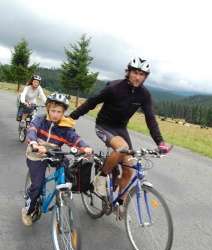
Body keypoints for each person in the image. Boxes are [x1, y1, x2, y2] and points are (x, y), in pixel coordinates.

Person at [69, 57, 171, 211]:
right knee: (122, 148)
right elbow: (92, 102)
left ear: (145, 77)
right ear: (129, 72)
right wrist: (72, 118)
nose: (138, 77)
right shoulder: (114, 88)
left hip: (121, 129)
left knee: (129, 170)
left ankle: (119, 203)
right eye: (135, 72)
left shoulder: (144, 94)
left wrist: (160, 142)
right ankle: (101, 178)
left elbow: (150, 119)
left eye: (142, 74)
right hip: (104, 126)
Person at [21, 92, 92, 226]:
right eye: (53, 110)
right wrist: (34, 143)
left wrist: (85, 147)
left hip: (54, 153)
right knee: (37, 184)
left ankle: (63, 193)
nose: (55, 114)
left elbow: (75, 138)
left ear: (64, 112)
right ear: (48, 109)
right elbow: (32, 130)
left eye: (59, 111)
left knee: (67, 168)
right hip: (37, 154)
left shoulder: (65, 127)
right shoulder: (40, 119)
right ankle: (27, 210)